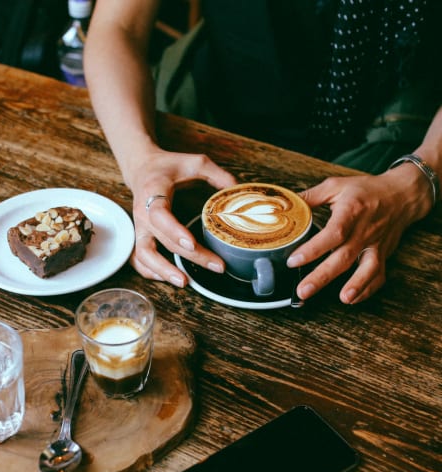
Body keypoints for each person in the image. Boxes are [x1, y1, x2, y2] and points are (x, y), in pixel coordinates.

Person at [84, 0, 441, 304]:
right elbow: (118, 26)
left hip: (398, 138)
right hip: (209, 112)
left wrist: (417, 183)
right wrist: (139, 159)